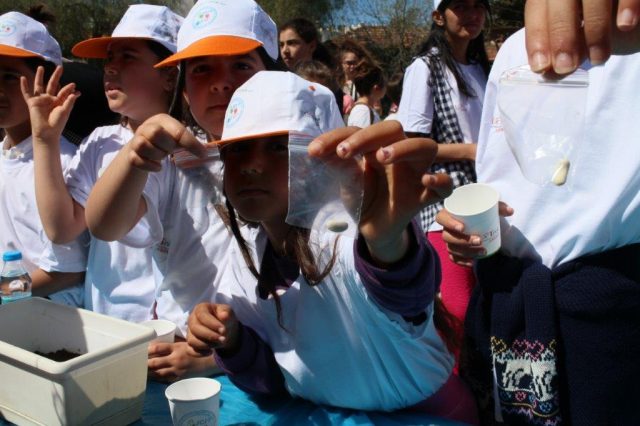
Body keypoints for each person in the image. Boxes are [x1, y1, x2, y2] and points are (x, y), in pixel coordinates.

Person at [436, 21, 640, 425]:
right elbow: (499, 171)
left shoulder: (631, 37)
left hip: (609, 321)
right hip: (506, 304)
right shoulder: (514, 48)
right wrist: (471, 230)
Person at [83, 0, 284, 380]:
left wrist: (216, 360)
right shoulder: (173, 157)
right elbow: (105, 226)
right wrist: (135, 155)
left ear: (273, 75)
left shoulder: (296, 157)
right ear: (184, 88)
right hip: (181, 345)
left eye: (241, 65)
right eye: (202, 68)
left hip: (270, 352)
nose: (221, 82)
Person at [26, 4, 218, 382]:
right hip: (102, 323)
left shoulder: (197, 151)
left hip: (166, 337)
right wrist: (45, 140)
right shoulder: (100, 142)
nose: (110, 68)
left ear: (170, 76)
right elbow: (63, 228)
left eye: (128, 57)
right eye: (109, 59)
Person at [396, 0, 491, 366]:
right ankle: (454, 389)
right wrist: (469, 150)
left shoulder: (483, 69)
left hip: (486, 197)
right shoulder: (425, 68)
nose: (472, 14)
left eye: (478, 6)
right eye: (460, 6)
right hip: (445, 202)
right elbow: (412, 145)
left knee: (486, 303)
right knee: (457, 310)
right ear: (438, 16)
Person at [0, 11, 86, 306]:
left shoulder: (65, 163)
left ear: (49, 84)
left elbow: (67, 272)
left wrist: (5, 292)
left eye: (10, 77)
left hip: (48, 314)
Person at [346, 62, 386, 128]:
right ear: (376, 88)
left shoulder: (366, 110)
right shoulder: (363, 111)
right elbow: (360, 133)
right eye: (384, 83)